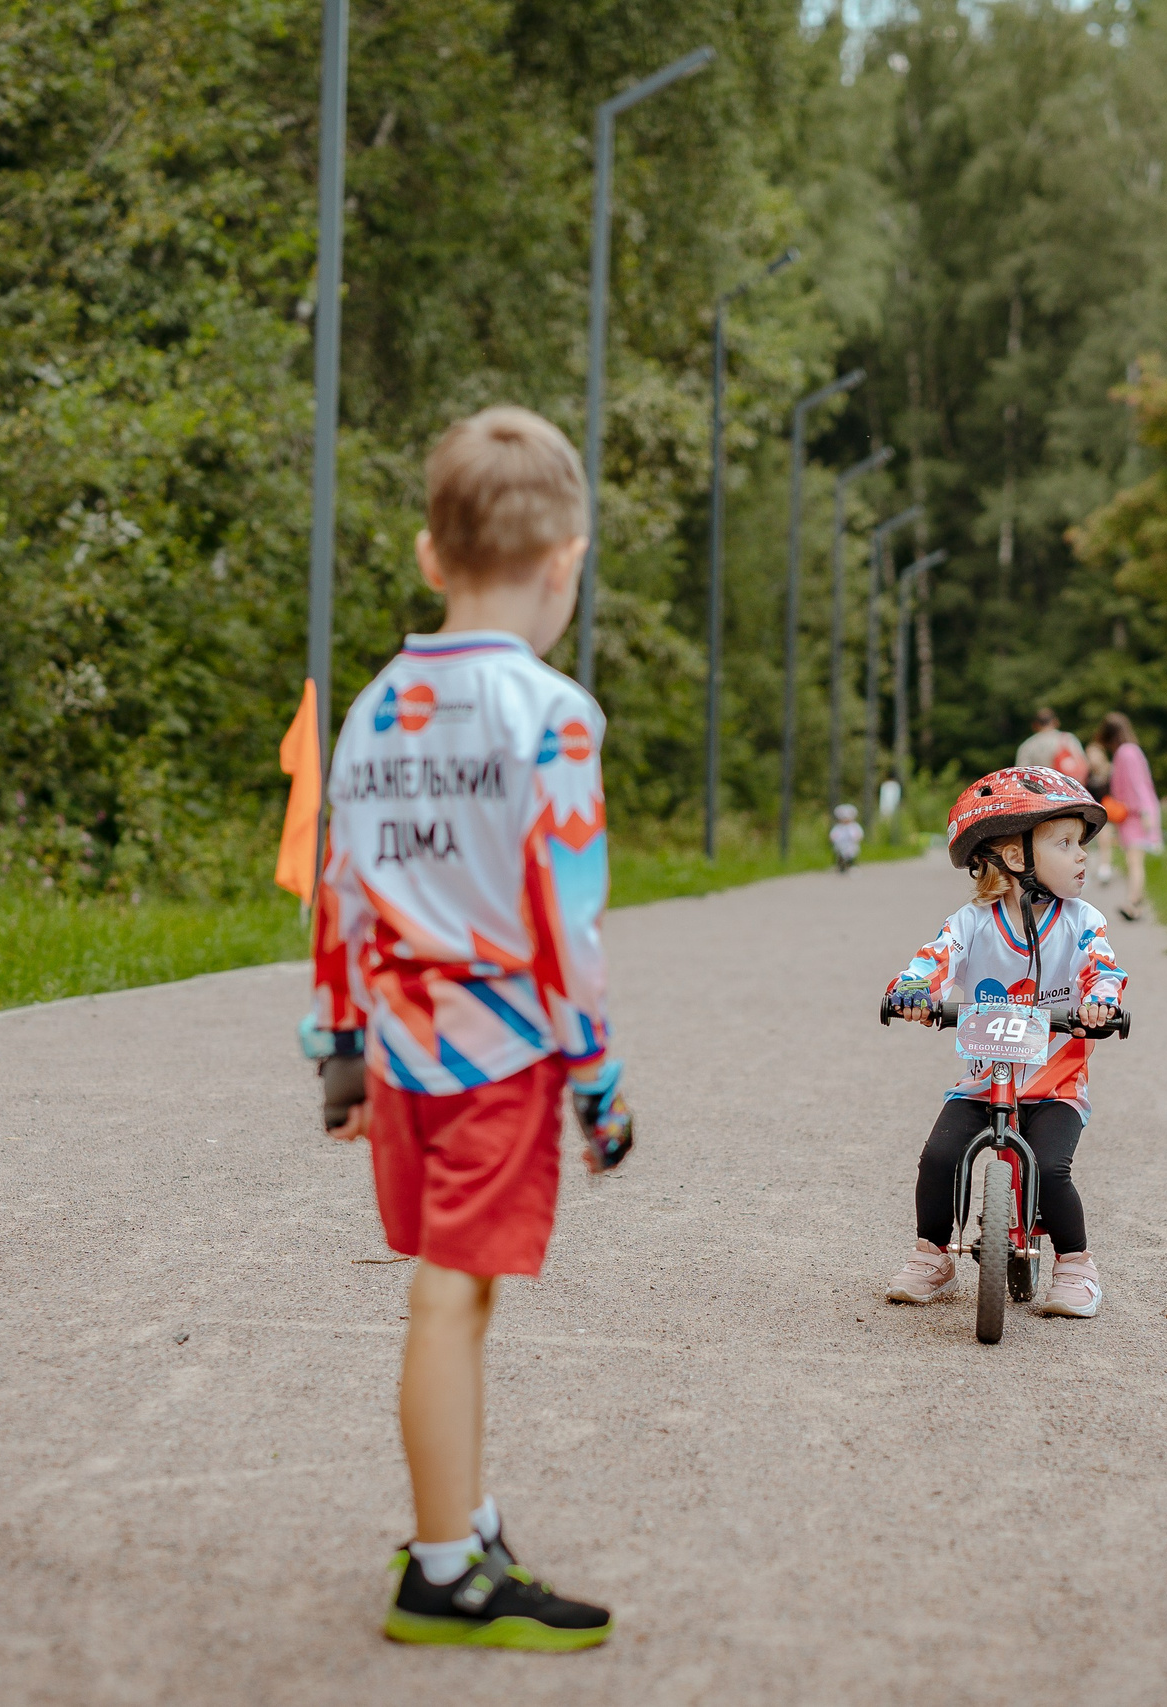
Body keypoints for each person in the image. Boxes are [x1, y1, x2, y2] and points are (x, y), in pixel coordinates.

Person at [306, 405, 635, 1650]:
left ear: (430, 558)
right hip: (498, 1058)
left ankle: (462, 1514)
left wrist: (337, 1044)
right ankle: (442, 1572)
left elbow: (339, 886)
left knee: (462, 1290)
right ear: (567, 560)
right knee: (452, 1294)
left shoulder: (375, 708)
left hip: (394, 1051)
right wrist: (597, 1077)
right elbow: (566, 915)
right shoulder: (550, 714)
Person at [882, 768, 1128, 1319]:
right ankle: (932, 1254)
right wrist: (914, 992)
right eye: (1063, 844)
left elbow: (1102, 969)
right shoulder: (972, 923)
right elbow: (934, 960)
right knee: (939, 1158)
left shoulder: (1083, 921)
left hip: (1055, 1085)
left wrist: (1100, 1003)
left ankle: (1075, 1264)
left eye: (1080, 843)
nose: (1082, 856)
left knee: (1050, 1165)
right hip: (983, 1079)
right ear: (1014, 857)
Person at [1096, 712, 1163, 922]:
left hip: (1136, 815)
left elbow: (1137, 784)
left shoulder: (1126, 753)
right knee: (1133, 861)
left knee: (1134, 862)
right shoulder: (1129, 751)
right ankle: (1136, 904)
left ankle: (1133, 903)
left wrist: (1144, 812)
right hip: (1132, 815)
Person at [1014, 705, 1085, 776]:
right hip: (1065, 784)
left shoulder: (1027, 746)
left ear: (1035, 725)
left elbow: (1021, 773)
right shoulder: (1067, 739)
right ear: (1056, 721)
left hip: (1039, 785)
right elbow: (1082, 763)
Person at [829, 802, 864, 874]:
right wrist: (833, 838)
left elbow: (858, 834)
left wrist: (857, 837)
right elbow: (833, 834)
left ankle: (851, 865)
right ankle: (841, 867)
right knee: (840, 856)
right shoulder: (838, 827)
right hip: (841, 845)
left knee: (851, 856)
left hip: (851, 845)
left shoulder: (854, 826)